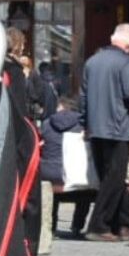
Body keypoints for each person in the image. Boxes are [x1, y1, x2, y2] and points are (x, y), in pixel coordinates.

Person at [80, 23, 129, 241]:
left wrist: (84, 123)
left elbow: (83, 97)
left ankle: (124, 224)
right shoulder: (127, 63)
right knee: (115, 179)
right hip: (119, 128)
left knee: (110, 177)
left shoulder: (92, 62)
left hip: (96, 128)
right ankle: (98, 225)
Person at [37, 95, 90, 237]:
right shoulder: (83, 124)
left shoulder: (47, 123)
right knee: (88, 187)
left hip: (49, 173)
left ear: (59, 107)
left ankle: (51, 227)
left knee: (49, 181)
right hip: (75, 176)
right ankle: (77, 226)